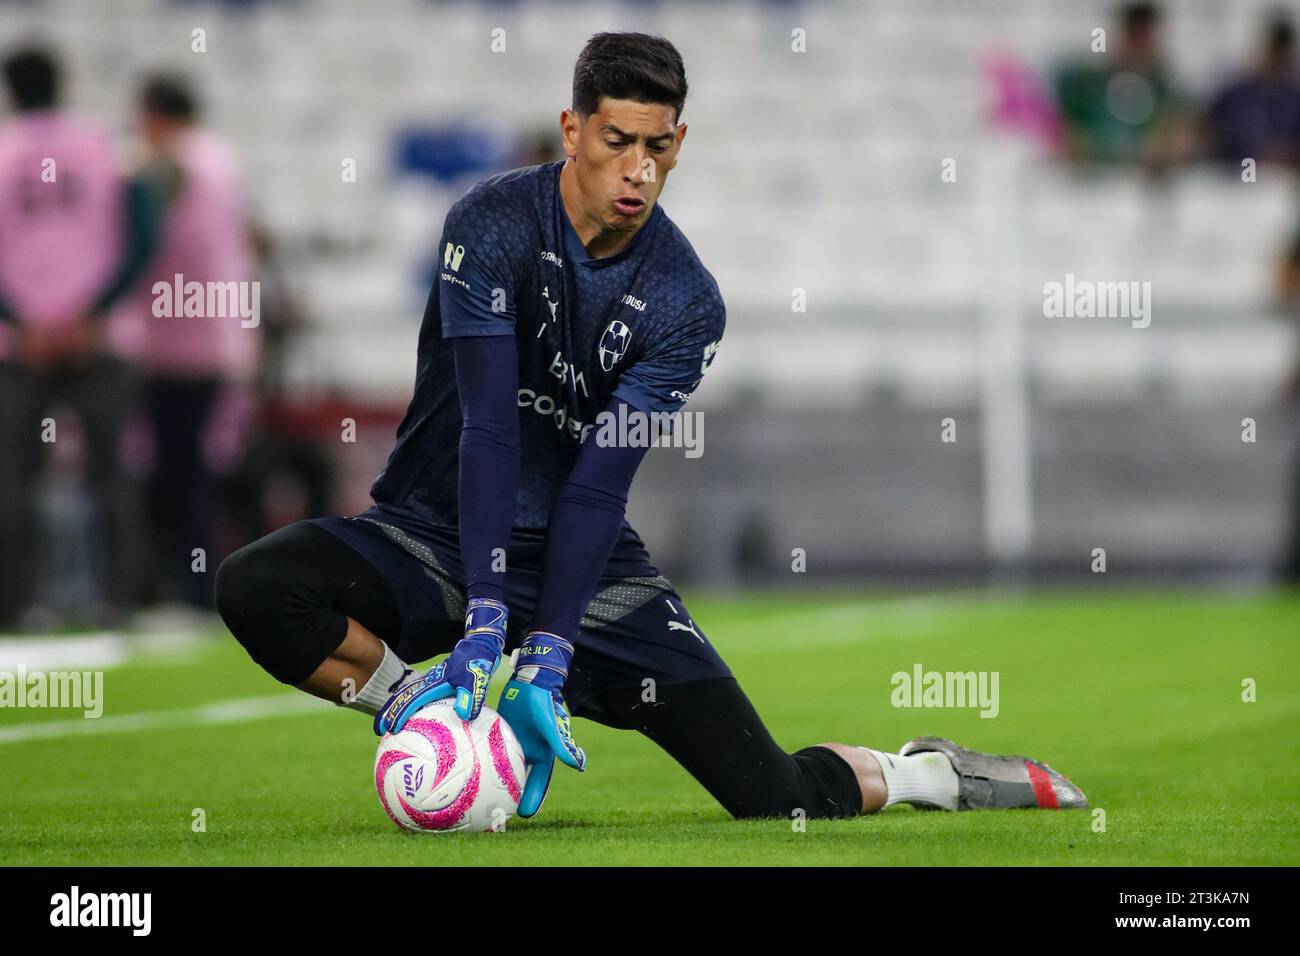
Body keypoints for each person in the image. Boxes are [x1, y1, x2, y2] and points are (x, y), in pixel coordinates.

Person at [216, 33, 1087, 820]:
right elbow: (488, 430)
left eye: (657, 148)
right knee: (257, 587)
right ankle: (428, 716)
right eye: (617, 142)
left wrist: (551, 644)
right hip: (432, 537)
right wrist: (485, 616)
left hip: (581, 560)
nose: (637, 169)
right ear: (572, 130)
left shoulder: (686, 301)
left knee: (769, 795)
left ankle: (927, 774)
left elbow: (598, 482)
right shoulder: (488, 225)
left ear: (679, 146)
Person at [0, 45, 159, 629]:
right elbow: (145, 234)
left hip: (18, 344)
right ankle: (117, 601)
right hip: (100, 338)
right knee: (111, 474)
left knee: (12, 479)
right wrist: (93, 313)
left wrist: (23, 321)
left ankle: (16, 605)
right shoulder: (106, 145)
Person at [128, 74, 257, 611]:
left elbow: (142, 230)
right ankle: (199, 589)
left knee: (172, 475)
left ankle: (181, 590)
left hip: (173, 342)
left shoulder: (166, 162)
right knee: (202, 471)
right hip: (221, 336)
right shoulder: (225, 161)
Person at [1054, 2, 1192, 170]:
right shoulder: (1087, 86)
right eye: (1134, 37)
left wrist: (1167, 150)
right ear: (1121, 36)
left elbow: (1182, 139)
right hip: (1093, 184)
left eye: (1146, 38)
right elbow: (1068, 136)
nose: (1139, 47)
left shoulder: (1167, 93)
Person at [1204, 16, 1300, 170]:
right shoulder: (1236, 94)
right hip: (1235, 177)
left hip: (1280, 180)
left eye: (1282, 55)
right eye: (1273, 52)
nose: (1277, 60)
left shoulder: (1294, 99)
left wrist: (1287, 155)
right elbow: (1206, 130)